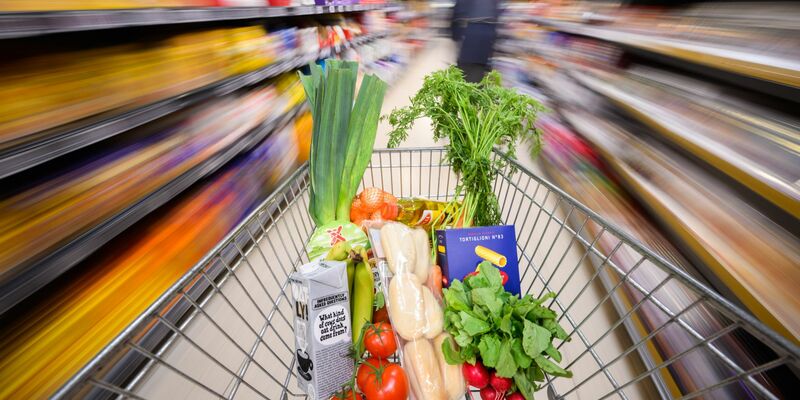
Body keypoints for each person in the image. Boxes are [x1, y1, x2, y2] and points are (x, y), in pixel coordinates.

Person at [451, 0, 502, 83]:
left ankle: (467, 89)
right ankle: (479, 88)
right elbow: (498, 11)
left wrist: (456, 35)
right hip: (488, 33)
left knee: (466, 71)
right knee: (481, 70)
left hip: (470, 32)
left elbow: (458, 12)